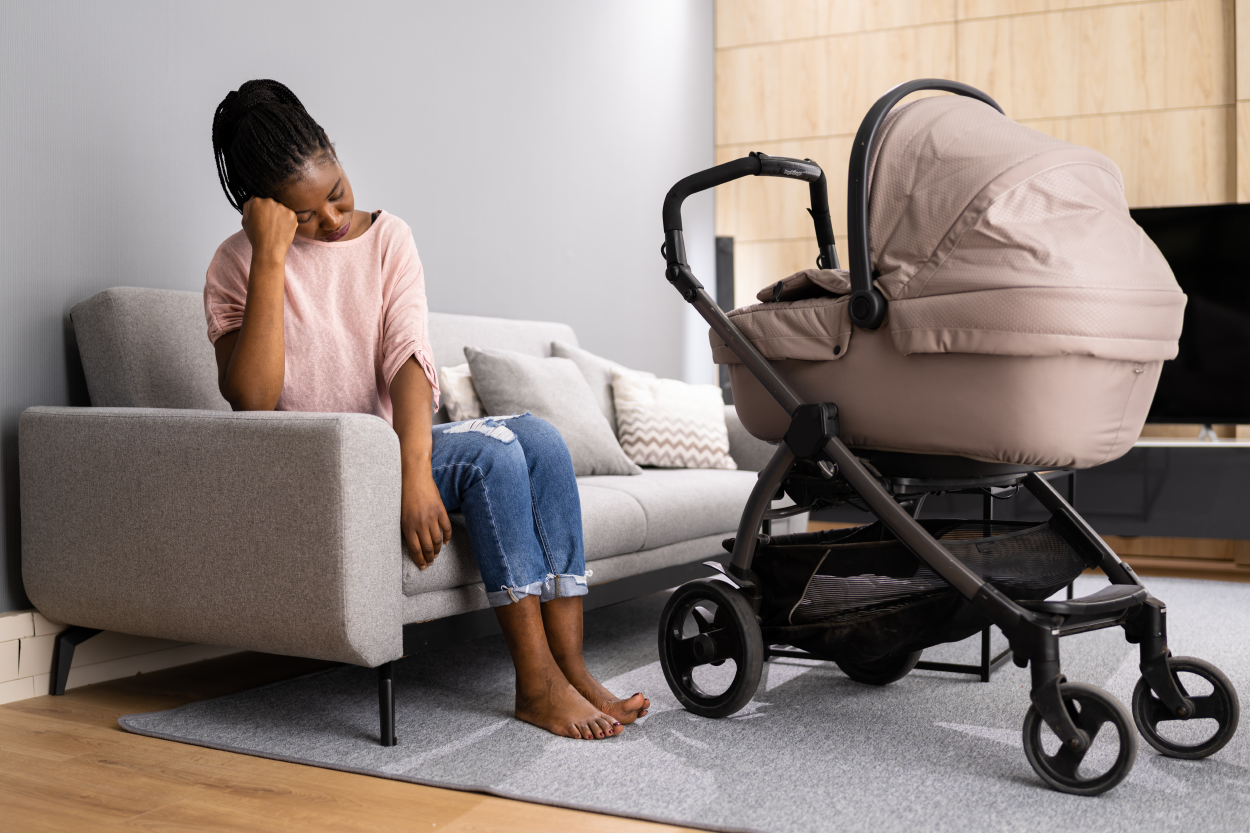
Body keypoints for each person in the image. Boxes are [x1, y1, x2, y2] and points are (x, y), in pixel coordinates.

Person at [205, 79, 647, 740]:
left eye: (336, 192)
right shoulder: (235, 265)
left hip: (389, 447)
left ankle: (572, 668)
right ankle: (534, 684)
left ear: (337, 156)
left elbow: (410, 359)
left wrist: (415, 473)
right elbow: (252, 399)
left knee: (542, 440)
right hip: (322, 465)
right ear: (261, 209)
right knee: (496, 457)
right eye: (301, 215)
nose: (330, 220)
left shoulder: (388, 238)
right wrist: (270, 258)